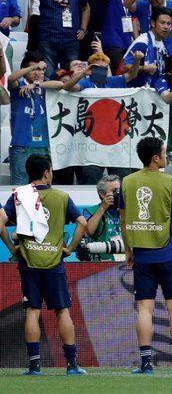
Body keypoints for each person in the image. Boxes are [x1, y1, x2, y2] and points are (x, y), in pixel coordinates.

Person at [0, 155, 88, 376]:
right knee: (62, 311)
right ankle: (72, 365)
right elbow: (82, 223)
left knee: (32, 311)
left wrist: (11, 247)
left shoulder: (19, 194)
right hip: (54, 263)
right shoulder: (61, 196)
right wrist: (69, 248)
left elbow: (0, 220)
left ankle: (34, 366)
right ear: (47, 172)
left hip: (29, 263)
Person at [119, 137, 172, 375]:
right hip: (168, 253)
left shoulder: (127, 182)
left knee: (144, 309)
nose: (166, 155)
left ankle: (146, 363)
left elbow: (123, 219)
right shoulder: (171, 182)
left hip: (142, 256)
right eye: (163, 152)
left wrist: (128, 251)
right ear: (155, 158)